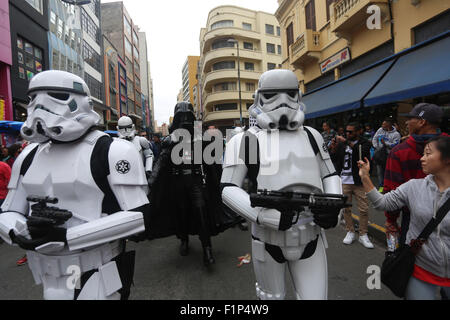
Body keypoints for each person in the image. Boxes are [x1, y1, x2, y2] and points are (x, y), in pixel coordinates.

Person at [0, 70, 149, 300]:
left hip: (97, 267)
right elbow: (9, 210)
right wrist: (19, 231)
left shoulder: (112, 150)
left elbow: (139, 215)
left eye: (56, 96)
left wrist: (67, 236)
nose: (40, 107)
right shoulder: (28, 155)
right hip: (48, 274)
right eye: (33, 99)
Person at [221, 69, 344, 300]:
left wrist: (332, 208)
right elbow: (227, 189)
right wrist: (260, 215)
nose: (283, 102)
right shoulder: (245, 140)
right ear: (259, 98)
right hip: (268, 238)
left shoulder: (312, 136)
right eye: (272, 95)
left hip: (310, 235)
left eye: (290, 94)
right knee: (270, 298)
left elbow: (330, 175)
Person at [358, 136, 450, 300]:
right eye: (422, 153)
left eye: (428, 153)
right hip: (421, 269)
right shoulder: (414, 186)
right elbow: (382, 203)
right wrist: (365, 177)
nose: (422, 158)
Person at [146, 102, 236, 267]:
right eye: (182, 116)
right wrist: (151, 182)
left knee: (201, 213)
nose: (185, 120)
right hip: (177, 183)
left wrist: (222, 182)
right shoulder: (170, 140)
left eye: (188, 116)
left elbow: (212, 163)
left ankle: (207, 248)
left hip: (195, 182)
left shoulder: (200, 138)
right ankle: (184, 240)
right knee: (181, 214)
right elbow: (161, 163)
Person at [384, 103, 448, 250]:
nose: (406, 122)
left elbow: (391, 190)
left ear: (422, 122)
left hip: (412, 219)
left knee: (410, 261)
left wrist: (391, 220)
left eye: (410, 118)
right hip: (446, 211)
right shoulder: (447, 146)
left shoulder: (399, 152)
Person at [331, 122, 374, 248]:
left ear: (359, 131)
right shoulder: (342, 144)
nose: (348, 134)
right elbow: (334, 158)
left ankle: (363, 234)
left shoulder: (364, 143)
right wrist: (333, 148)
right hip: (344, 180)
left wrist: (345, 141)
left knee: (364, 209)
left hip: (359, 181)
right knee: (346, 208)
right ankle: (350, 231)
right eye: (347, 131)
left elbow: (359, 154)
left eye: (351, 132)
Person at [117, 116, 154, 184]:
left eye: (128, 127)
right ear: (118, 128)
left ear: (132, 127)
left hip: (140, 174)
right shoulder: (115, 143)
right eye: (122, 128)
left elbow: (149, 156)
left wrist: (148, 169)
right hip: (123, 176)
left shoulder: (141, 140)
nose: (125, 130)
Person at [372, 119, 401, 192]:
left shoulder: (396, 134)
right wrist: (377, 147)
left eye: (384, 124)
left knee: (388, 171)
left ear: (389, 124)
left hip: (389, 155)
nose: (382, 126)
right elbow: (374, 138)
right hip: (380, 154)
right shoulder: (380, 130)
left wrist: (385, 144)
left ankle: (390, 187)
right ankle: (381, 187)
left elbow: (395, 145)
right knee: (380, 172)